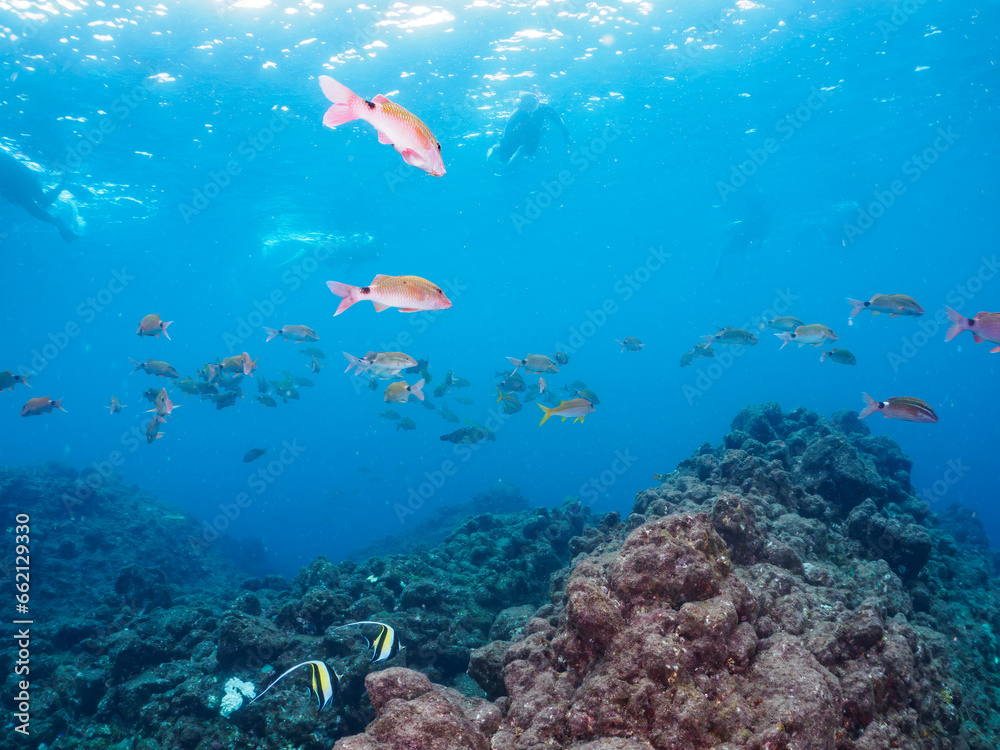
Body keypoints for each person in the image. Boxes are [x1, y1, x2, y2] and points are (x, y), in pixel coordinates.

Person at [0, 149, 80, 242]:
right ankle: (60, 225)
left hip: (24, 180)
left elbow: (12, 167)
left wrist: (7, 193)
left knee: (43, 204)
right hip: (16, 185)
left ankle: (63, 186)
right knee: (38, 208)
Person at [487, 92, 571, 168]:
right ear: (521, 104)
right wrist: (504, 144)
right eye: (526, 102)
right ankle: (495, 150)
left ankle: (513, 161)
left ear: (537, 101)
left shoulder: (545, 108)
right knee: (503, 155)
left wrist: (566, 133)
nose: (529, 105)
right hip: (516, 134)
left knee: (529, 152)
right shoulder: (517, 114)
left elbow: (558, 120)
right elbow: (507, 131)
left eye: (532, 101)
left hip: (534, 133)